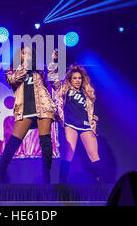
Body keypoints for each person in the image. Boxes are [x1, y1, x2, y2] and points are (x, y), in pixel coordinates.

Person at [0, 44, 58, 184]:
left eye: (30, 54)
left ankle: (46, 177)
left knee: (46, 142)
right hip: (25, 109)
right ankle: (0, 175)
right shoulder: (11, 71)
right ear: (19, 56)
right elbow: (13, 80)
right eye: (24, 53)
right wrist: (26, 66)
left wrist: (53, 61)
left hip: (43, 107)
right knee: (13, 143)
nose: (27, 56)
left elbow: (52, 82)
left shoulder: (39, 72)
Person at [48, 50, 103, 183]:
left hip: (86, 126)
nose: (77, 80)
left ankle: (101, 182)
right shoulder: (64, 89)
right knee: (69, 154)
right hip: (70, 124)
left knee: (94, 155)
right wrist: (55, 61)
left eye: (79, 78)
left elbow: (88, 110)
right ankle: (62, 182)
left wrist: (93, 118)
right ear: (70, 79)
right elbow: (51, 77)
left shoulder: (87, 93)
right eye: (75, 78)